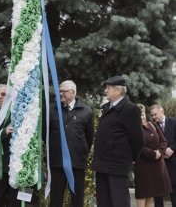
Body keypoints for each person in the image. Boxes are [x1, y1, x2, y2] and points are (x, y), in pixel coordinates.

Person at [92, 75, 144, 207]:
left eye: (108, 88)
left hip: (117, 165)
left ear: (118, 91)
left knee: (118, 202)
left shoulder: (130, 109)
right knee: (103, 202)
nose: (105, 91)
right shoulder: (106, 108)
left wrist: (132, 157)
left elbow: (138, 140)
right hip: (102, 164)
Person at [48, 80, 94, 207]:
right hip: (57, 162)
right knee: (56, 198)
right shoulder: (52, 109)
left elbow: (89, 137)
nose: (60, 94)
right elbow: (45, 134)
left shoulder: (86, 111)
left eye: (64, 91)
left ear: (73, 92)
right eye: (59, 91)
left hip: (77, 163)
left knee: (77, 198)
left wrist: (81, 151)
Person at [134, 104, 171, 207]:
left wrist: (160, 152)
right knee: (142, 195)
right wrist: (153, 154)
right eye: (138, 115)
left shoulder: (152, 124)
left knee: (151, 195)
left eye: (142, 114)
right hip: (143, 167)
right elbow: (138, 146)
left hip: (156, 166)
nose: (142, 117)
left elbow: (163, 141)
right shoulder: (135, 129)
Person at [150, 104, 176, 207]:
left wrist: (172, 148)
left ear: (162, 111)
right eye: (152, 115)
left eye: (155, 114)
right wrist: (161, 151)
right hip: (158, 166)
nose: (153, 117)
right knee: (158, 200)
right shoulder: (152, 126)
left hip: (174, 165)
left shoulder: (174, 122)